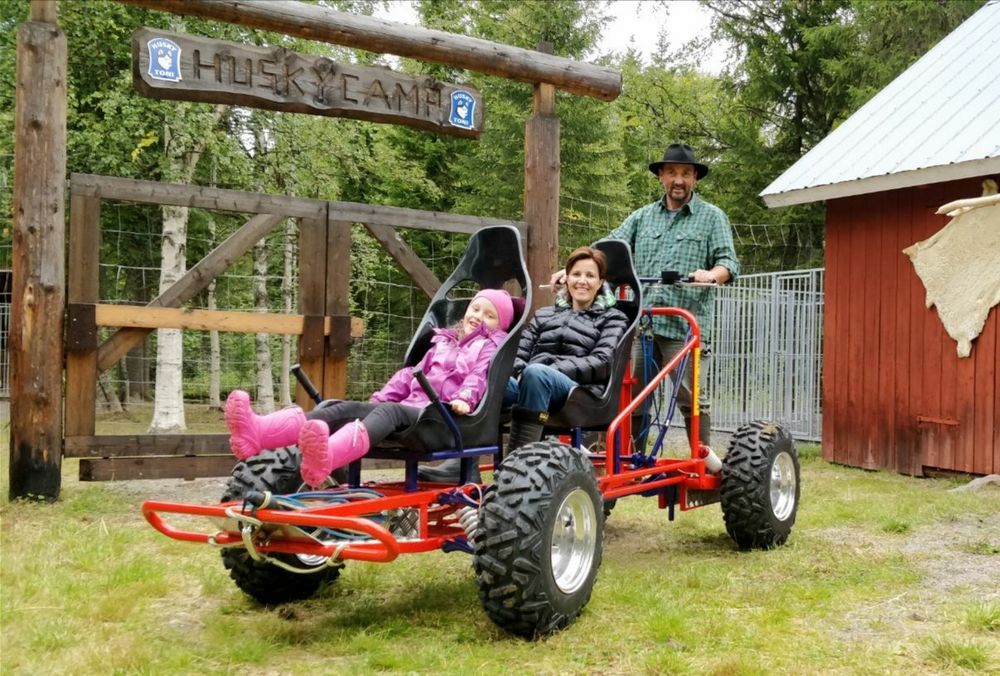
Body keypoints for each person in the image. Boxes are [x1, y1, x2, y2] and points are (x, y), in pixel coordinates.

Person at [223, 288, 515, 488]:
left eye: (489, 315)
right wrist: (378, 399)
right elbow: (407, 377)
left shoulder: (490, 348)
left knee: (388, 412)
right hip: (412, 410)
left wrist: (465, 398)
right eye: (475, 307)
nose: (477, 315)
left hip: (443, 418)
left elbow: (480, 377)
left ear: (500, 326)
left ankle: (328, 457)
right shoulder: (442, 341)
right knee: (342, 407)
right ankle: (258, 433)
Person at [552, 143, 739, 450]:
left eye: (685, 174)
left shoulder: (712, 217)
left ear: (694, 179)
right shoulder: (642, 218)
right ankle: (630, 459)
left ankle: (701, 462)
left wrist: (710, 274)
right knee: (632, 395)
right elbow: (605, 249)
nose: (678, 180)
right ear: (661, 177)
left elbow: (728, 264)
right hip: (643, 325)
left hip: (683, 327)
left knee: (690, 397)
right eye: (672, 173)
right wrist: (571, 270)